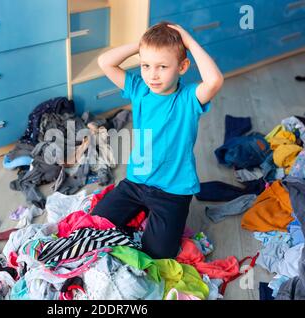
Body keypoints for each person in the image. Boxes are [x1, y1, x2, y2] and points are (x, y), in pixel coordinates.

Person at [91, 22, 224, 258]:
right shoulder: (139, 89)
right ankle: (141, 214)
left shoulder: (188, 98)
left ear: (182, 66)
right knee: (95, 223)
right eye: (145, 65)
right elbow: (105, 62)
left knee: (158, 254)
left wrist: (188, 41)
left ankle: (149, 219)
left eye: (162, 66)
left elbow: (214, 81)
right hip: (137, 181)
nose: (152, 74)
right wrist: (142, 45)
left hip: (173, 190)